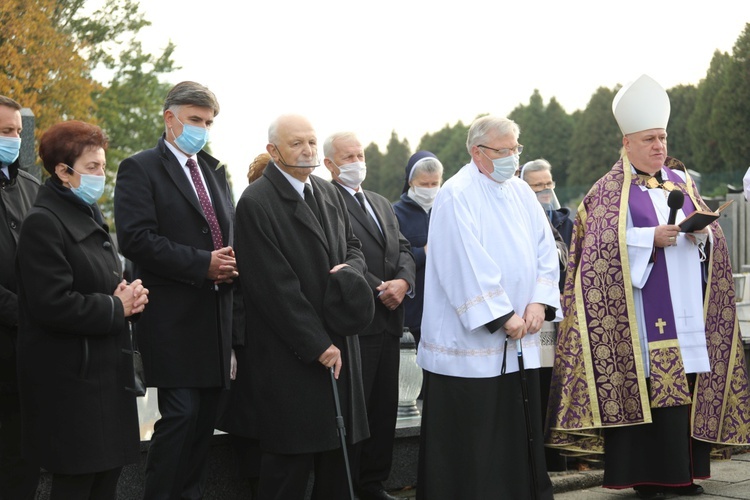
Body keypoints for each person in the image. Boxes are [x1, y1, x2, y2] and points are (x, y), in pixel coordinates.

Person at [546, 74, 750, 499]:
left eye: (663, 137)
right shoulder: (607, 191)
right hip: (640, 316)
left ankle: (683, 474)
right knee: (651, 388)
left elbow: (710, 239)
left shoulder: (682, 182)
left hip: (688, 306)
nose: (660, 146)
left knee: (687, 386)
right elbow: (596, 248)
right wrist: (645, 239)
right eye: (650, 139)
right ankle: (647, 477)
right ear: (627, 143)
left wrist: (702, 234)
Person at [416, 115, 561, 500]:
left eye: (516, 148)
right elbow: (462, 263)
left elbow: (545, 249)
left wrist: (538, 303)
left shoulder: (520, 191)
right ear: (478, 152)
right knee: (475, 441)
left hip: (522, 333)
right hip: (472, 346)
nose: (513, 157)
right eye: (504, 150)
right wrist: (503, 316)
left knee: (518, 432)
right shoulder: (456, 193)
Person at [229, 114, 371, 500]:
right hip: (293, 354)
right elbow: (274, 288)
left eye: (311, 141)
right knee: (289, 465)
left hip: (341, 339)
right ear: (273, 151)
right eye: (297, 144)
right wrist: (317, 345)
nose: (307, 149)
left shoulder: (327, 192)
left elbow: (354, 247)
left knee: (338, 462)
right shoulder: (257, 202)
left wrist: (350, 271)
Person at [114, 81, 237, 500]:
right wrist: (203, 264)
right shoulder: (140, 167)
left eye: (208, 122)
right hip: (172, 320)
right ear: (170, 119)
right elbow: (135, 238)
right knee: (180, 417)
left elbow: (225, 232)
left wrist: (230, 265)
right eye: (195, 120)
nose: (202, 129)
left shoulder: (215, 171)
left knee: (203, 423)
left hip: (215, 319)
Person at [15, 120, 149, 499]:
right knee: (77, 485)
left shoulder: (88, 214)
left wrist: (129, 298)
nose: (100, 175)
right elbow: (52, 304)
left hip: (106, 376)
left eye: (103, 166)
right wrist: (114, 306)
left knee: (104, 483)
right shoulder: (44, 222)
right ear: (62, 171)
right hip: (72, 385)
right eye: (92, 167)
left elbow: (100, 283)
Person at [323, 132, 416, 500]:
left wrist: (404, 282)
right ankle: (349, 486)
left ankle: (374, 483)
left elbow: (404, 248)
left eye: (360, 154)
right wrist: (382, 288)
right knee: (356, 409)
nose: (357, 162)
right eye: (348, 157)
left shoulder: (379, 202)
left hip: (391, 322)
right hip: (359, 322)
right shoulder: (327, 201)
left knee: (383, 407)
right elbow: (342, 257)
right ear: (330, 164)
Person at [0, 95, 40, 500]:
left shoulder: (30, 184)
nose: (12, 138)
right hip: (12, 329)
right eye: (4, 131)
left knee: (22, 459)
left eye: (15, 131)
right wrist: (24, 311)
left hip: (26, 354)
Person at [520, 158, 572, 472]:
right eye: (537, 186)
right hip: (528, 317)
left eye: (548, 184)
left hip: (559, 315)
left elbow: (566, 252)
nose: (545, 190)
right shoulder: (521, 211)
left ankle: (559, 457)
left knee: (556, 387)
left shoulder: (565, 219)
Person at [392, 151, 443, 348]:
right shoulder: (395, 213)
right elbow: (392, 257)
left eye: (434, 184)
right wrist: (424, 252)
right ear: (411, 182)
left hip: (446, 311)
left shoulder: (449, 209)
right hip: (413, 312)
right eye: (424, 184)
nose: (429, 189)